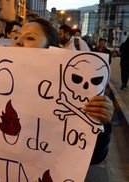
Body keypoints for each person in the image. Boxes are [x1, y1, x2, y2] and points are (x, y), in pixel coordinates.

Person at [12, 18, 114, 165]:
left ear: (51, 48)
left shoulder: (70, 92)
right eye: (16, 36)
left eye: (30, 37)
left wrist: (102, 122)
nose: (18, 41)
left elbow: (94, 157)